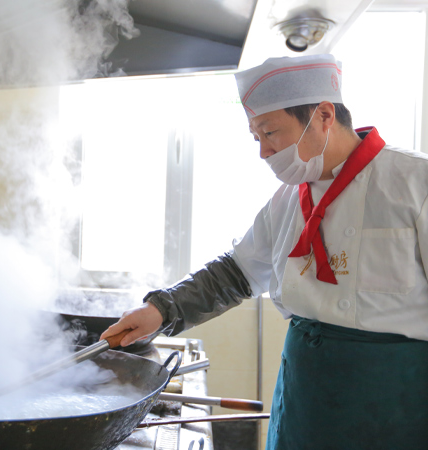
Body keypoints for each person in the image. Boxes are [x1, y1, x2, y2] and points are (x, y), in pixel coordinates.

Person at [101, 54, 428, 449]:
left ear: (324, 115)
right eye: (256, 137)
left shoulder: (414, 183)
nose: (263, 152)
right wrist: (162, 310)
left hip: (395, 404)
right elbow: (236, 273)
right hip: (306, 400)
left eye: (270, 133)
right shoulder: (288, 199)